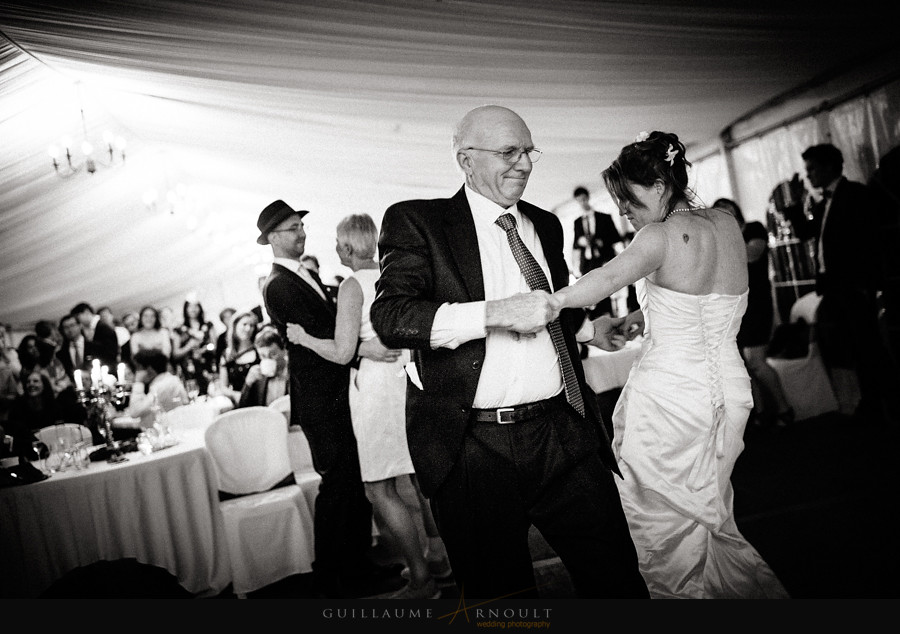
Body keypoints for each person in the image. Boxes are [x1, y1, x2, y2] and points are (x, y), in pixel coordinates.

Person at [370, 105, 648, 600]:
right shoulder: (420, 221)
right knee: (500, 600)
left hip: (563, 432)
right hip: (473, 447)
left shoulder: (547, 224)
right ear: (466, 160)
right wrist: (495, 313)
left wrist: (589, 330)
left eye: (528, 152)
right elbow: (392, 318)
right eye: (508, 152)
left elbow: (548, 307)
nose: (523, 164)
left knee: (617, 580)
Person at [546, 130, 789, 599]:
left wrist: (546, 303)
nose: (623, 210)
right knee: (708, 514)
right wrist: (647, 315)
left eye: (628, 197)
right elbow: (711, 297)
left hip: (670, 399)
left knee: (658, 525)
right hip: (729, 394)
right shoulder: (726, 224)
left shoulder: (656, 236)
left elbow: (601, 280)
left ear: (659, 185)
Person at [286, 213, 449, 600]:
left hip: (376, 389)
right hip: (410, 380)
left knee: (379, 487)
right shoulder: (398, 276)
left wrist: (304, 338)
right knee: (420, 477)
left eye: (336, 243)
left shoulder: (352, 286)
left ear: (346, 247)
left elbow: (342, 353)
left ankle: (421, 580)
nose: (335, 248)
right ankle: (440, 559)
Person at [256, 199, 402, 599]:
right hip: (320, 399)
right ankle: (331, 577)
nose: (302, 233)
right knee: (338, 485)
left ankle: (357, 567)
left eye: (301, 226)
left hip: (336, 393)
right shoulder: (278, 284)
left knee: (352, 483)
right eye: (292, 228)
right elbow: (320, 333)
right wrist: (362, 350)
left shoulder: (303, 274)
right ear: (272, 238)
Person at [784, 144, 887, 422]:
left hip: (853, 286)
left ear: (829, 167)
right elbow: (806, 232)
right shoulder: (824, 202)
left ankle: (882, 404)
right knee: (850, 346)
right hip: (833, 288)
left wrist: (866, 283)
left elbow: (869, 241)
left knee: (867, 345)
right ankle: (867, 401)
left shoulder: (855, 194)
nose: (808, 175)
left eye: (812, 168)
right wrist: (795, 203)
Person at [714, 197, 793, 428]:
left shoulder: (754, 229)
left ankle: (784, 408)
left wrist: (727, 236)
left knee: (756, 361)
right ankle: (761, 412)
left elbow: (752, 255)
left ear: (736, 211)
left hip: (758, 304)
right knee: (744, 365)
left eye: (728, 210)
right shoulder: (720, 240)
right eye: (719, 213)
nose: (725, 214)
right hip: (735, 307)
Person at [571, 185, 626, 319]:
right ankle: (596, 320)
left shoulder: (604, 218)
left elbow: (616, 238)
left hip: (604, 260)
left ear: (588, 198)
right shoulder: (577, 222)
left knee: (606, 292)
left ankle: (611, 318)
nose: (582, 203)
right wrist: (581, 242)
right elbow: (575, 245)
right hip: (587, 264)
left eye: (584, 199)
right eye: (579, 201)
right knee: (591, 295)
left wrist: (602, 242)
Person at [119, 349, 189, 430]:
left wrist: (138, 382)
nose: (137, 373)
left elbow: (135, 411)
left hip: (168, 432)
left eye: (138, 368)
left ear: (149, 369)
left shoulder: (162, 386)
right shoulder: (169, 380)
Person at [171, 297, 216, 396]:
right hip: (190, 371)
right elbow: (175, 354)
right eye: (190, 306)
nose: (193, 309)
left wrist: (204, 349)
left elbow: (215, 346)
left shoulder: (208, 325)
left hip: (209, 367)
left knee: (214, 392)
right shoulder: (179, 329)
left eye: (196, 306)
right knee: (196, 396)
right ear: (185, 309)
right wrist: (189, 346)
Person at [237, 327, 289, 408]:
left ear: (284, 351)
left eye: (273, 354)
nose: (268, 359)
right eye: (263, 356)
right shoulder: (257, 376)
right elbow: (243, 408)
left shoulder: (294, 374)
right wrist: (248, 384)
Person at [217, 310, 260, 405]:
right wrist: (235, 395)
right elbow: (223, 387)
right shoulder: (227, 354)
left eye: (252, 325)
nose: (248, 329)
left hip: (259, 399)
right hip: (240, 402)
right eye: (244, 324)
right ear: (235, 325)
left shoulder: (259, 350)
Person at [71, 303, 120, 368]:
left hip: (109, 366)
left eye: (78, 317)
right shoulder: (94, 328)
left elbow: (110, 351)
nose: (78, 321)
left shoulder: (103, 327)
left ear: (86, 312)